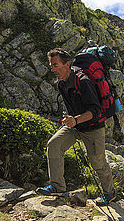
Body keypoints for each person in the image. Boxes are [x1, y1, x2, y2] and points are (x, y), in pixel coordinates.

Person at [36, 49, 115, 204]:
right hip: (75, 125)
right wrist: (69, 119)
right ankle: (57, 186)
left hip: (93, 127)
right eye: (51, 66)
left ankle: (109, 193)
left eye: (55, 65)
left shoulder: (83, 81)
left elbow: (95, 110)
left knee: (97, 162)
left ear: (67, 64)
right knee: (54, 144)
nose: (53, 69)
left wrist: (76, 120)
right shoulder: (61, 83)